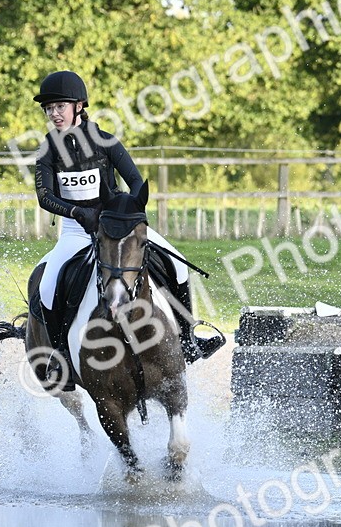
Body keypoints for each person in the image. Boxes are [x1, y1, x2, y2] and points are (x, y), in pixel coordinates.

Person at [31, 70, 224, 385]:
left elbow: (135, 181)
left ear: (79, 106)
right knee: (48, 286)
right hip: (75, 233)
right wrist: (77, 212)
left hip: (118, 228)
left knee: (178, 265)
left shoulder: (105, 141)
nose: (54, 113)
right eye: (49, 109)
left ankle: (189, 339)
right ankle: (61, 356)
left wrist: (124, 213)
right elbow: (45, 197)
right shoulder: (47, 150)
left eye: (60, 106)